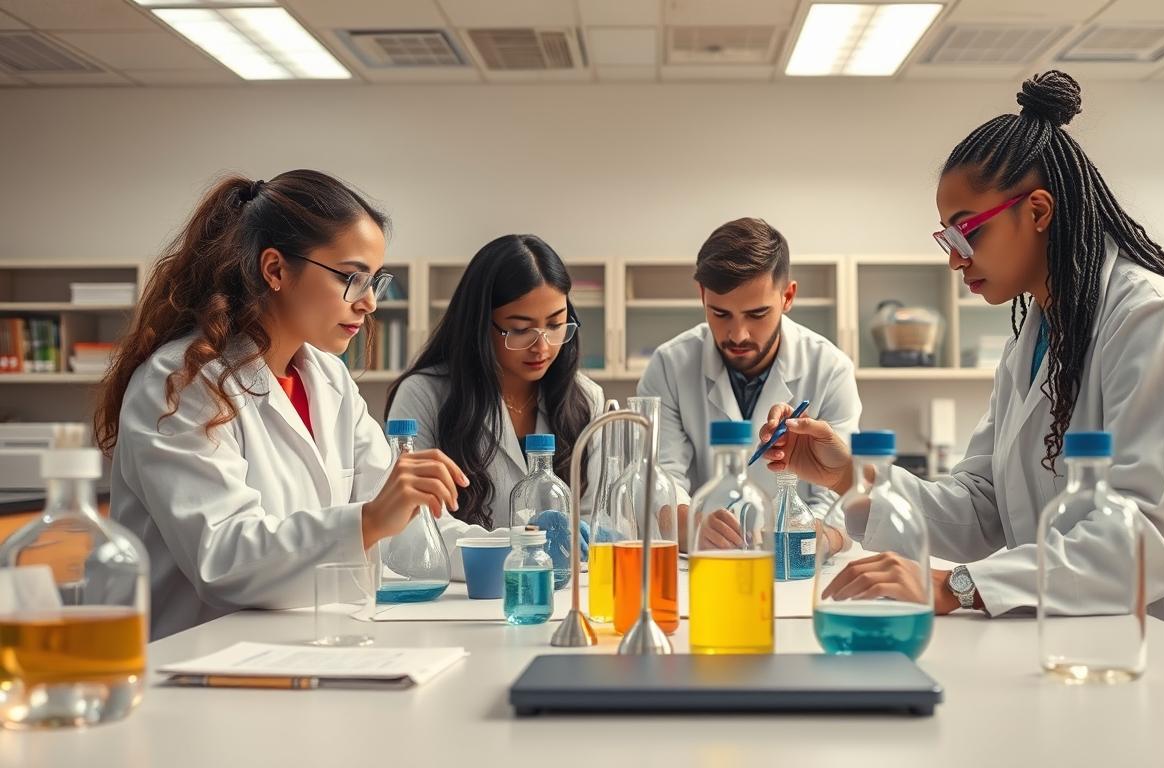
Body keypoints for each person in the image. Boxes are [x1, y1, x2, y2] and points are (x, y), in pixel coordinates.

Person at [758, 71, 1164, 658]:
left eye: (967, 231)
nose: (956, 258)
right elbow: (983, 507)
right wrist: (849, 475)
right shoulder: (1037, 337)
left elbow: (1152, 538)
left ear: (1038, 210)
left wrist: (959, 585)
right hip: (1077, 649)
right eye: (946, 237)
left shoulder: (1152, 322)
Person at [100, 171, 466, 639]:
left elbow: (407, 525)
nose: (369, 302)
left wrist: (519, 551)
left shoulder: (328, 378)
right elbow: (223, 560)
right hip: (190, 658)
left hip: (294, 644)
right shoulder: (180, 383)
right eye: (353, 279)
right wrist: (371, 518)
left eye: (376, 281)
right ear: (275, 270)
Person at [386, 235, 603, 578]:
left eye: (556, 324)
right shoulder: (424, 395)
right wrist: (523, 549)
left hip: (560, 593)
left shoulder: (586, 399)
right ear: (480, 326)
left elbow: (596, 517)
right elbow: (412, 523)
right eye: (520, 330)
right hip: (461, 596)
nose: (542, 347)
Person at [637, 217, 858, 552]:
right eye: (721, 314)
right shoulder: (669, 365)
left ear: (788, 296)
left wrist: (808, 539)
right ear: (702, 296)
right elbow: (658, 478)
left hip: (799, 569)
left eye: (756, 314)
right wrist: (691, 526)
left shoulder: (830, 369)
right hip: (704, 567)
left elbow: (840, 497)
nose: (737, 335)